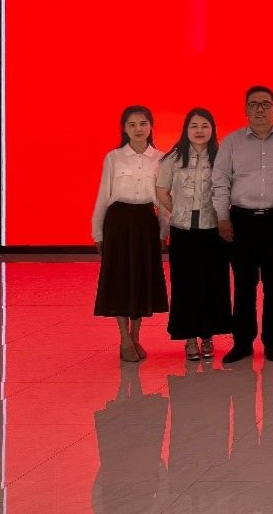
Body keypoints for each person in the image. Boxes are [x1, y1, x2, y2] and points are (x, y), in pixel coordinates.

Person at [212, 85, 273, 364]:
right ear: (245, 110)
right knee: (244, 286)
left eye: (265, 104)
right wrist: (223, 217)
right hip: (242, 222)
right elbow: (220, 180)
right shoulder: (232, 142)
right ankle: (242, 343)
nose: (259, 109)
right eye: (253, 104)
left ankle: (272, 342)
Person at [92, 105, 168, 362]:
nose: (138, 129)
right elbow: (103, 195)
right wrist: (97, 232)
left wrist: (163, 231)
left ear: (151, 127)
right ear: (124, 129)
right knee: (119, 281)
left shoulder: (161, 158)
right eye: (132, 124)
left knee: (141, 280)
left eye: (143, 123)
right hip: (118, 222)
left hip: (146, 223)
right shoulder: (113, 157)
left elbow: (163, 198)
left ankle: (136, 336)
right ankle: (124, 339)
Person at [156, 107, 230, 361]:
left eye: (205, 126)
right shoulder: (173, 158)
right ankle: (189, 338)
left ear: (212, 130)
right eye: (194, 126)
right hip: (183, 231)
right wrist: (177, 210)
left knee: (212, 284)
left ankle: (207, 336)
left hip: (213, 231)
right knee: (185, 286)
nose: (199, 131)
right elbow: (162, 190)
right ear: (186, 130)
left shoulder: (222, 157)